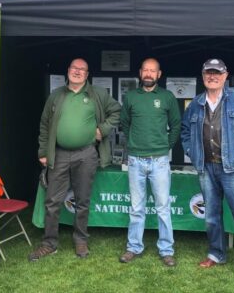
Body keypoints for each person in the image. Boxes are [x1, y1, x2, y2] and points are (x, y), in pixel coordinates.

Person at [181, 58, 234, 283]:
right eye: (208, 72)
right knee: (211, 216)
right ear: (203, 76)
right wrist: (192, 151)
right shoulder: (196, 104)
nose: (213, 76)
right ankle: (216, 254)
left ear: (225, 75)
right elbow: (184, 131)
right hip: (206, 168)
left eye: (217, 73)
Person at [29, 58, 121, 261]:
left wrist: (102, 130)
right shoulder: (56, 95)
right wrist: (43, 152)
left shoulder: (98, 94)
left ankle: (80, 240)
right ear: (68, 71)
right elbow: (44, 124)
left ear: (87, 75)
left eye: (82, 69)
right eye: (74, 68)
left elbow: (116, 111)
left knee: (82, 200)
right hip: (59, 154)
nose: (77, 72)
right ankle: (49, 243)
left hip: (86, 154)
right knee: (52, 201)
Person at [119, 58, 181, 267]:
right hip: (135, 160)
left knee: (163, 207)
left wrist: (165, 147)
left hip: (160, 161)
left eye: (152, 71)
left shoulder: (167, 97)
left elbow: (175, 125)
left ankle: (166, 250)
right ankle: (133, 247)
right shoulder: (130, 97)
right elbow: (125, 124)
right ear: (140, 72)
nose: (148, 74)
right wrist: (134, 144)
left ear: (159, 74)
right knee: (137, 207)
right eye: (145, 70)